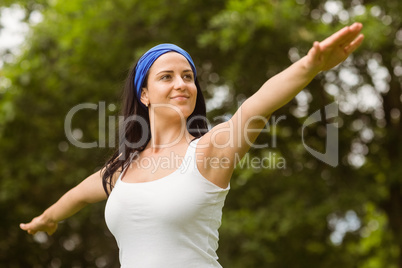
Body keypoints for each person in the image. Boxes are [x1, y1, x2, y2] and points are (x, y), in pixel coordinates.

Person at [20, 23, 364, 267]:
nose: (181, 84)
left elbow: (258, 104)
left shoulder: (209, 151)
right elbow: (77, 196)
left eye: (188, 76)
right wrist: (46, 219)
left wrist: (310, 65)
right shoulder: (121, 169)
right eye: (166, 77)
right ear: (144, 94)